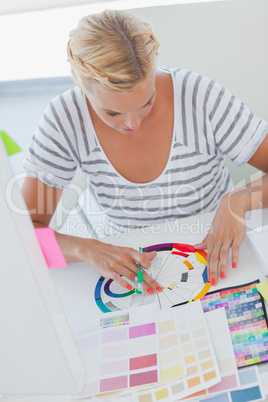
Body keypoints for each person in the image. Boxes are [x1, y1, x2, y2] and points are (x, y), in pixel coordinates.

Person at [22, 9, 268, 293]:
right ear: (81, 87)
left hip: (216, 254)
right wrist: (84, 249)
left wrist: (239, 200)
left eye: (147, 102)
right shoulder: (63, 118)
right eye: (113, 113)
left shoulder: (199, 96)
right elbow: (22, 241)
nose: (133, 123)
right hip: (129, 268)